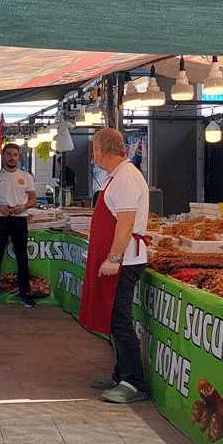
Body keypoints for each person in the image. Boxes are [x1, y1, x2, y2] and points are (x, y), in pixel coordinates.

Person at [82, 128, 151, 404]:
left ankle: (134, 383)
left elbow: (126, 223)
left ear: (99, 151)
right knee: (113, 319)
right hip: (121, 259)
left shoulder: (125, 178)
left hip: (125, 261)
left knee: (119, 320)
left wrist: (113, 258)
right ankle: (121, 373)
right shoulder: (118, 176)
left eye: (94, 151)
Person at [0, 143, 37, 307]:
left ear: (18, 157)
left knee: (22, 257)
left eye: (15, 154)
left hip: (20, 219)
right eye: (9, 154)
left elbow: (32, 199)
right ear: (3, 156)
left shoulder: (26, 176)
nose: (12, 157)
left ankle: (25, 295)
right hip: (0, 219)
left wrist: (24, 207)